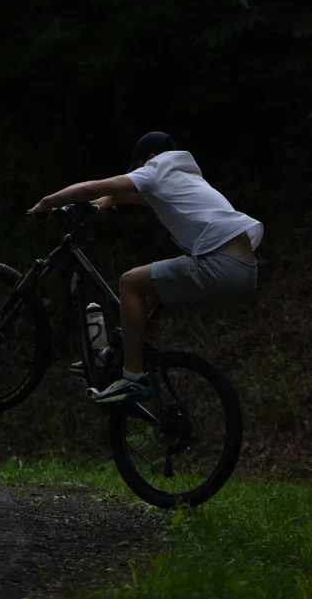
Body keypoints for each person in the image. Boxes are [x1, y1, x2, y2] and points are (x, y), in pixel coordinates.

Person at [27, 131, 263, 404]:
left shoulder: (156, 167)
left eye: (137, 170)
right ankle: (117, 354)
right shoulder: (185, 175)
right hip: (243, 268)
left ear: (149, 158)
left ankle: (132, 378)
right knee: (154, 286)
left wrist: (48, 201)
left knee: (130, 282)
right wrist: (112, 200)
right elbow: (141, 196)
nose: (138, 176)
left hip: (221, 264)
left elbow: (97, 186)